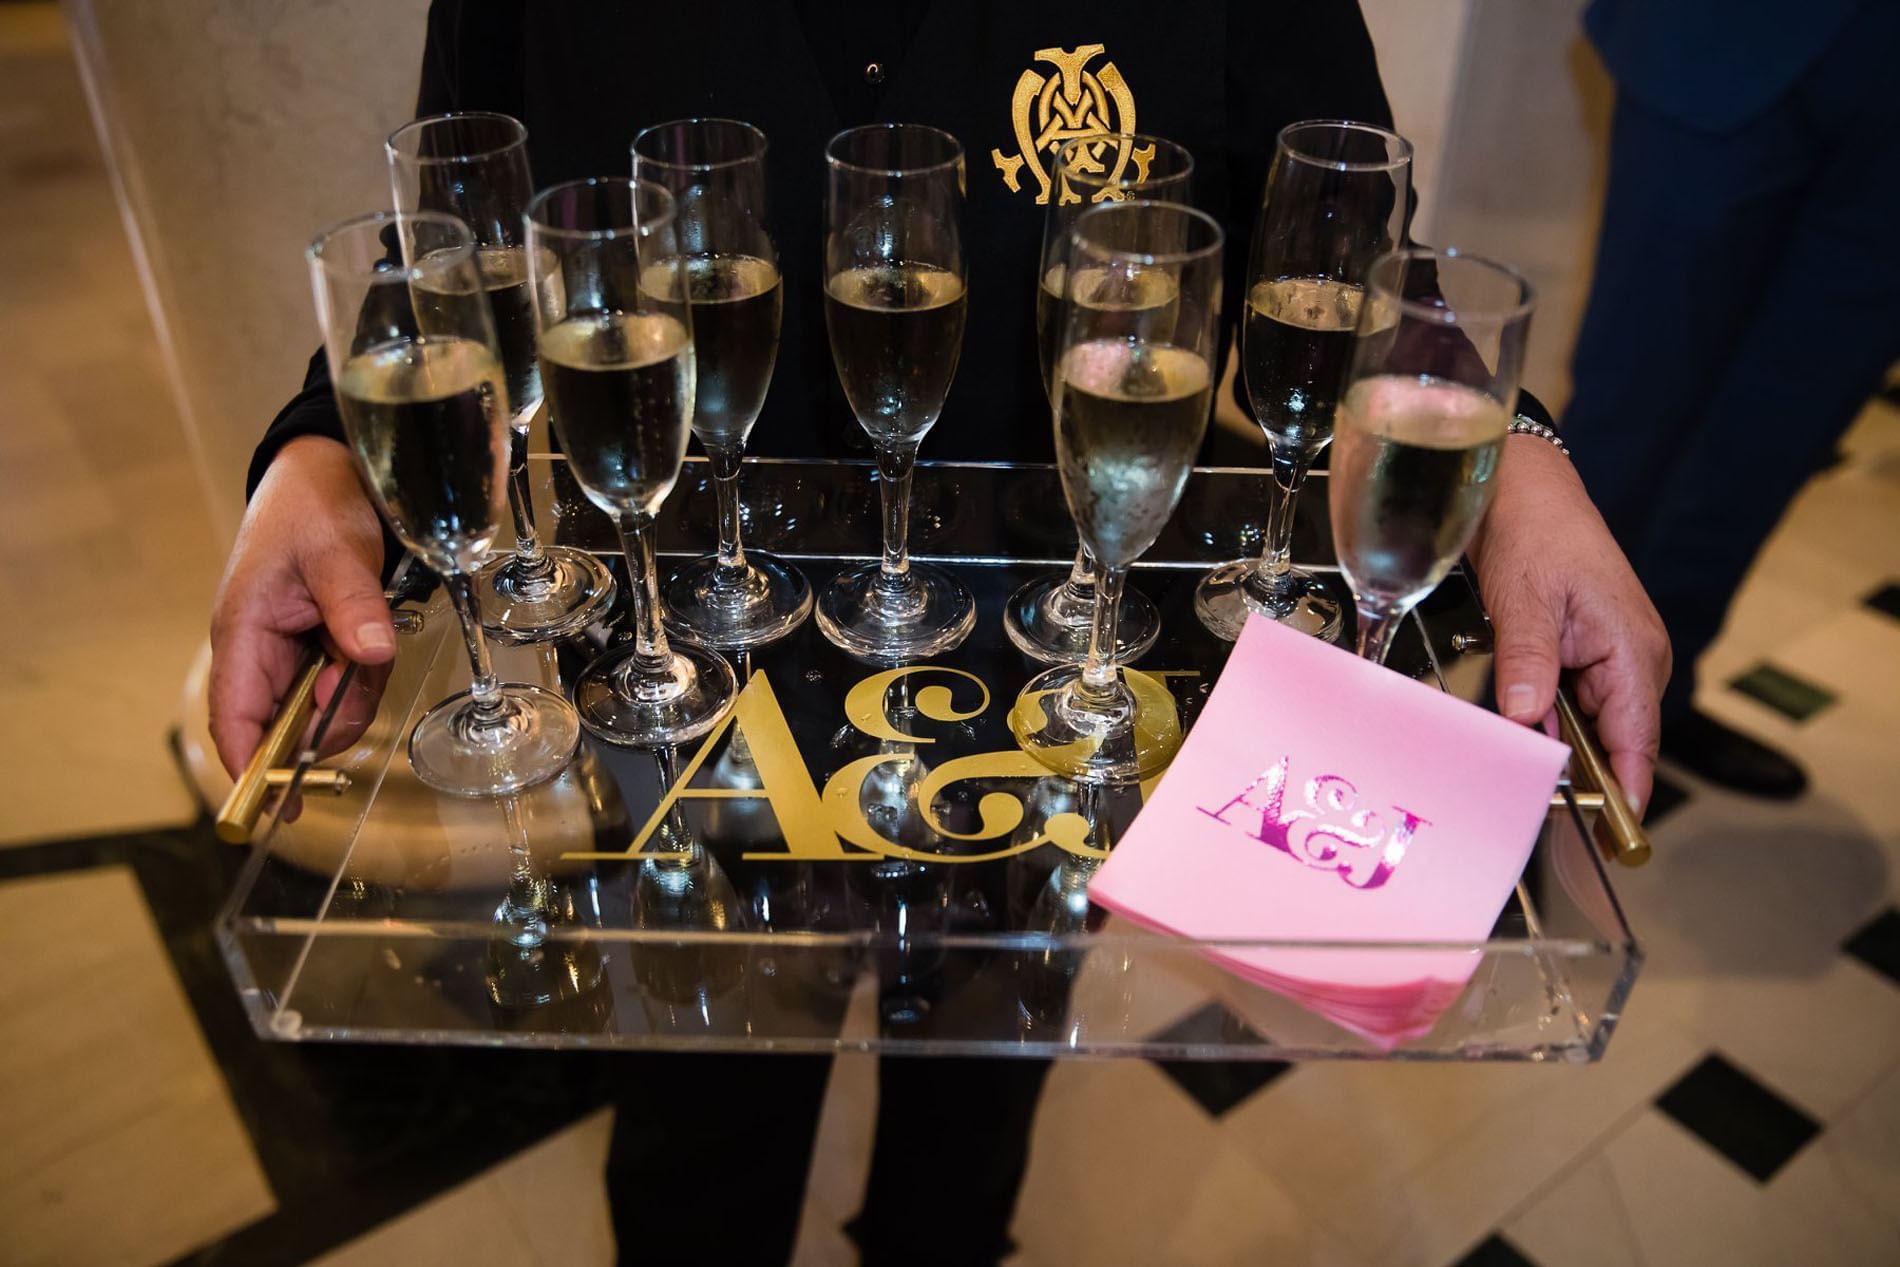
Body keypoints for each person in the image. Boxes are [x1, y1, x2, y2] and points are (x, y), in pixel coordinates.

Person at [208, 4, 1671, 1262]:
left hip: (1052, 678)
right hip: (675, 671)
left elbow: (1351, 258)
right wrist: (320, 452)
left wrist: (1522, 451)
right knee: (694, 1138)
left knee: (971, 1129)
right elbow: (448, 241)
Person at [1565, 0, 1899, 799]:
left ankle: (1660, 686)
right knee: (1631, 399)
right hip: (1726, 32)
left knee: (1782, 426)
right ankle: (1523, 724)